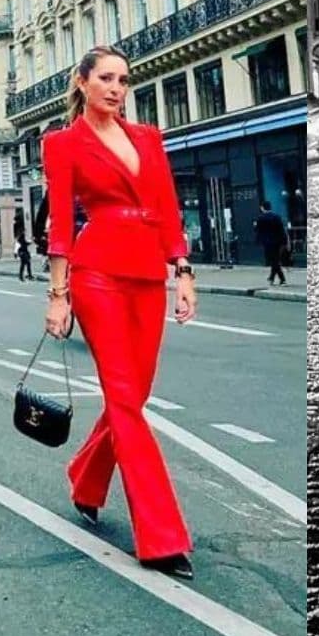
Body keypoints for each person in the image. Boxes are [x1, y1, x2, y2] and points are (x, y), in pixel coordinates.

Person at [42, 45, 198, 580]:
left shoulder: (148, 138)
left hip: (147, 273)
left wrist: (183, 272)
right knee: (126, 404)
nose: (116, 88)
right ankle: (161, 535)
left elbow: (168, 207)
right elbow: (61, 223)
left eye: (123, 80)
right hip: (97, 274)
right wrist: (58, 295)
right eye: (105, 78)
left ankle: (85, 477)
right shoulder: (62, 144)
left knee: (137, 393)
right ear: (82, 82)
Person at [254, 201, 289, 286]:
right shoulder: (276, 217)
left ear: (262, 208)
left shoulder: (260, 218)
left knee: (274, 261)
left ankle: (282, 279)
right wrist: (285, 241)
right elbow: (281, 230)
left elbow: (257, 230)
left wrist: (258, 240)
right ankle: (271, 278)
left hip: (267, 242)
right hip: (277, 241)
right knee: (275, 259)